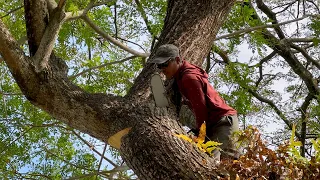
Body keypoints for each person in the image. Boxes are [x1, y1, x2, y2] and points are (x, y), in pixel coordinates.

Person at [149, 44, 240, 160]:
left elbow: (200, 108)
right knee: (210, 163)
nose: (162, 68)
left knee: (226, 164)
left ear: (177, 60)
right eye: (159, 65)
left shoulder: (189, 78)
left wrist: (200, 135)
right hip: (213, 124)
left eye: (165, 64)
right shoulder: (180, 75)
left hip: (224, 123)